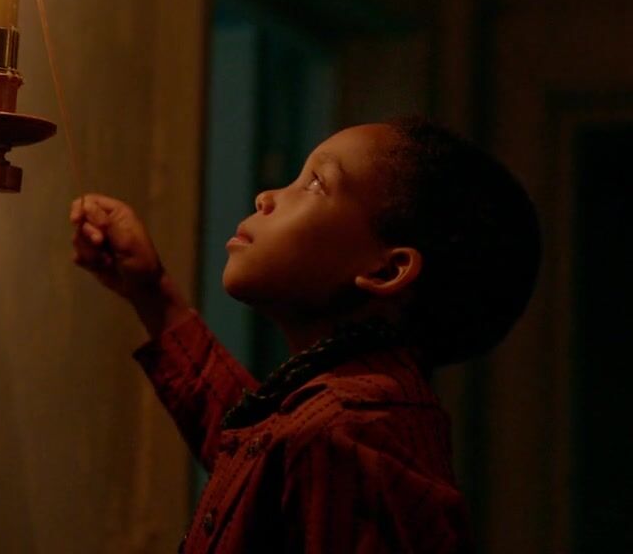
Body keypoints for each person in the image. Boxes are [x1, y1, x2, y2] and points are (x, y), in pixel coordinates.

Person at [70, 117, 540, 553]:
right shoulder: (338, 414)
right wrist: (153, 294)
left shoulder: (350, 433)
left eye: (315, 183)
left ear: (386, 269)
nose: (266, 198)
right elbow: (257, 455)